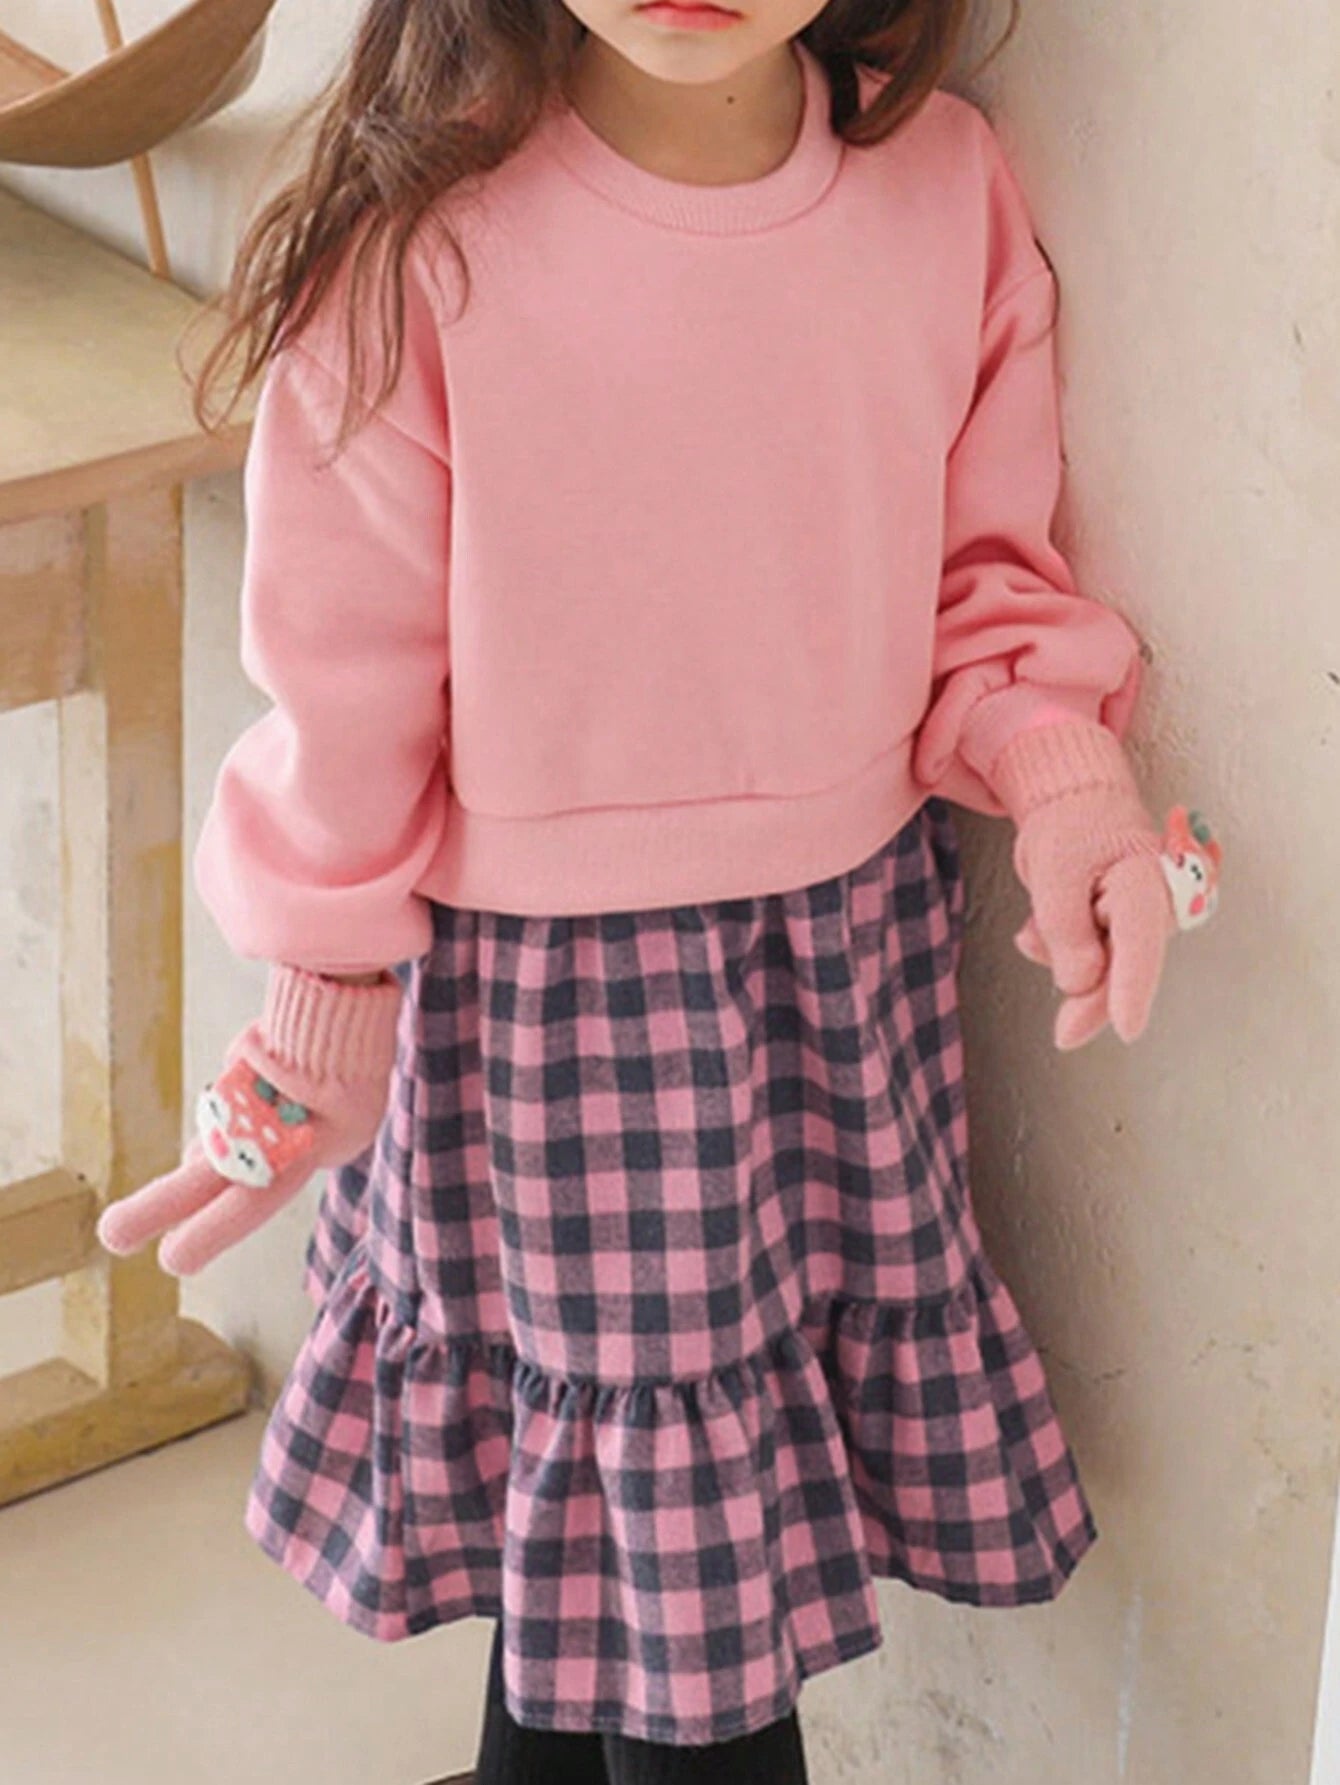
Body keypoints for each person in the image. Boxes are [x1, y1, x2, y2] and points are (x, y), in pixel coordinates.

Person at [96, 0, 1219, 1778]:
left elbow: (985, 575)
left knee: (624, 1568)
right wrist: (317, 1011)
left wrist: (1066, 784)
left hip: (832, 976)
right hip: (542, 1019)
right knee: (658, 1576)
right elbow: (349, 682)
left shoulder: (940, 188)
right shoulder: (426, 241)